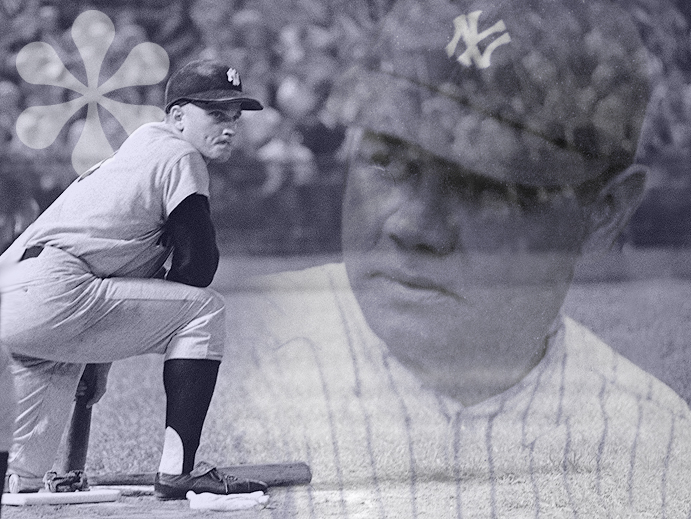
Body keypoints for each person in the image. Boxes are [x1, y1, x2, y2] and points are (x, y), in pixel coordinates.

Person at [219, 0, 691, 516]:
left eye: (486, 184)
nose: (414, 227)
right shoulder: (237, 359)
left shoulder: (655, 450)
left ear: (604, 213)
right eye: (390, 160)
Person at [0, 59, 268, 499]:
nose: (230, 127)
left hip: (18, 293)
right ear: (178, 116)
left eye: (234, 117)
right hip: (58, 290)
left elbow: (107, 270)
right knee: (205, 311)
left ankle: (22, 477)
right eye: (216, 114)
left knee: (23, 485)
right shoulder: (181, 155)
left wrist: (95, 353)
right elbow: (197, 271)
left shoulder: (139, 151)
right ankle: (178, 470)